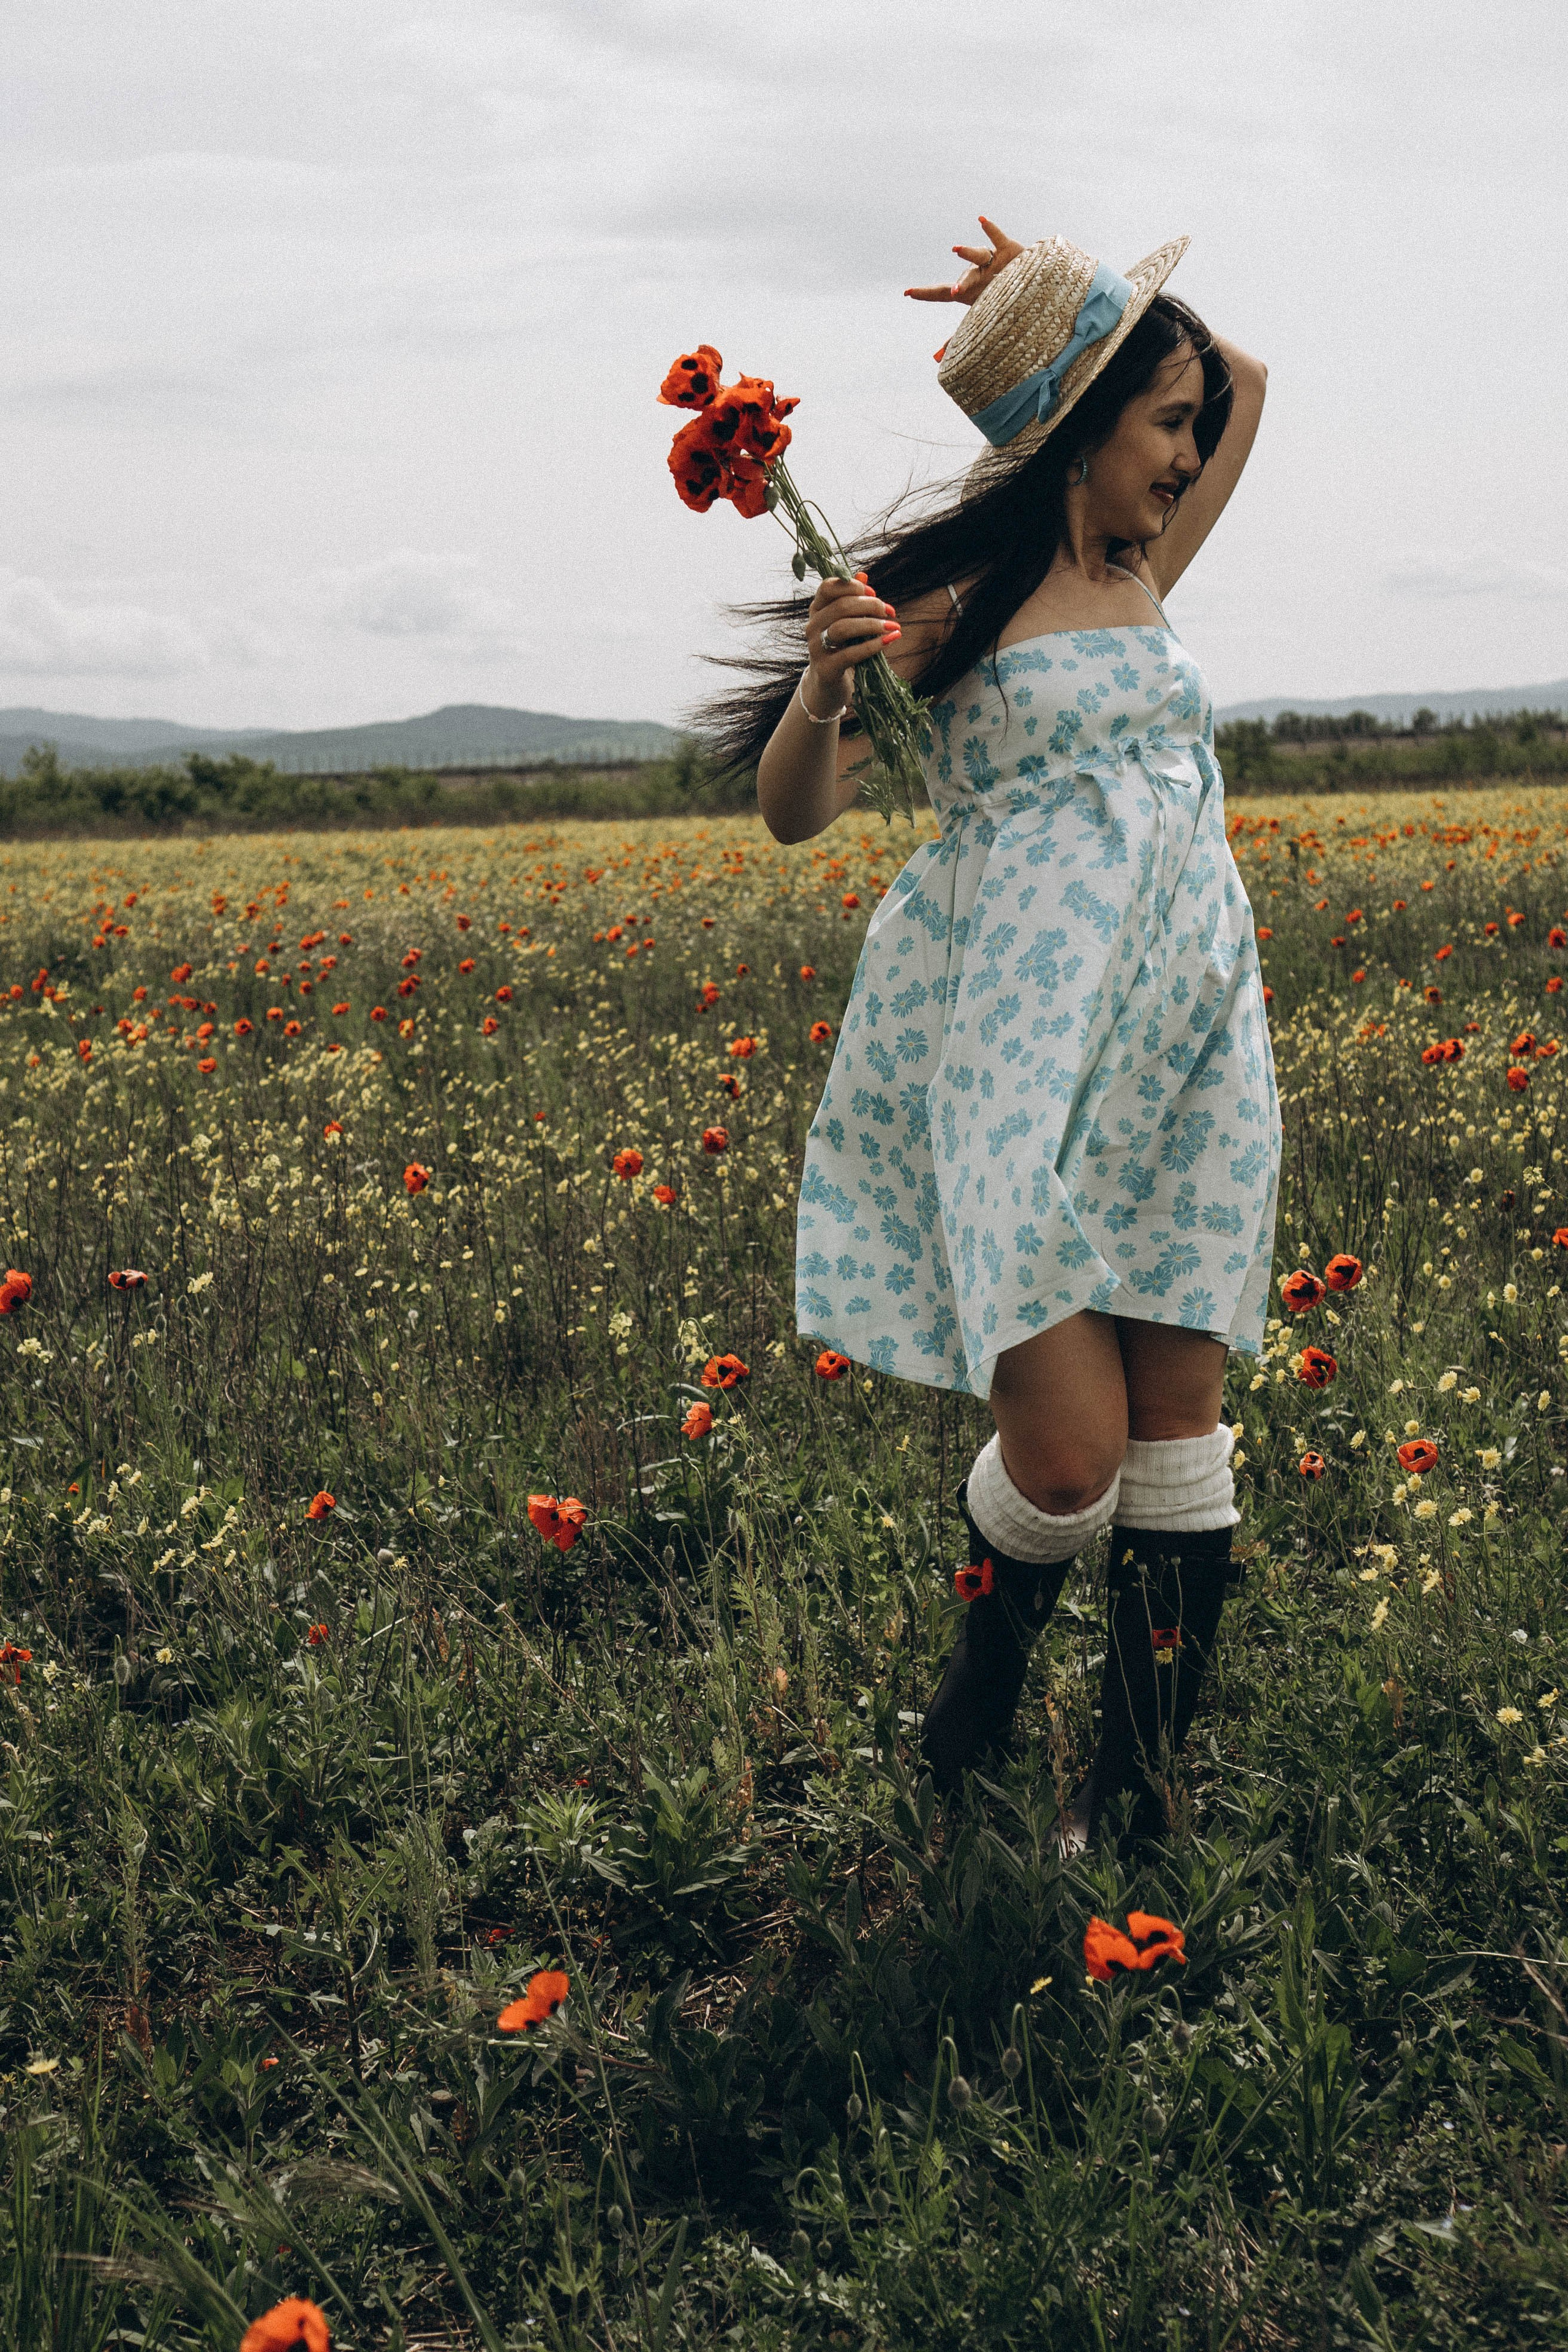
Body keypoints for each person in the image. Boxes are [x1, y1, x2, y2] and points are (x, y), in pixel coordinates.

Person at [704, 218, 1280, 1849]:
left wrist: (1070, 296)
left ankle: (1143, 1807)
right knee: (1073, 1451)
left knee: (1180, 1426)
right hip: (1024, 1067)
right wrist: (824, 693)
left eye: (1183, 426)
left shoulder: (1144, 571)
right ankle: (971, 1707)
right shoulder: (957, 607)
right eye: (1160, 423)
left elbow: (1245, 378)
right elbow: (795, 816)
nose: (1192, 449)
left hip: (1182, 1054)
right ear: (1085, 429)